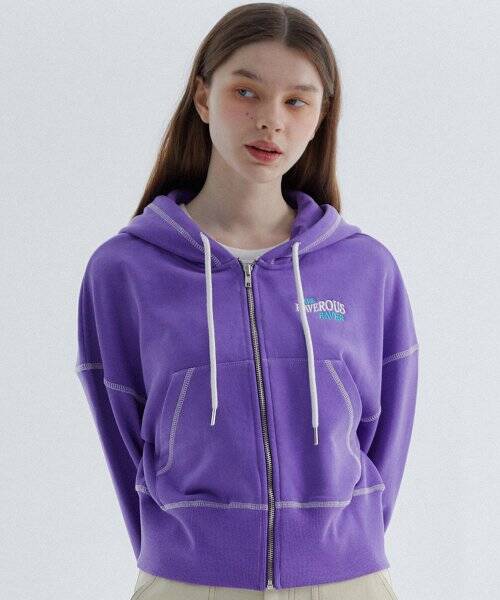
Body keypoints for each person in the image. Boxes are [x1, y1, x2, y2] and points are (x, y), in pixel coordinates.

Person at [75, 3, 418, 599]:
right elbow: (122, 437)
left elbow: (387, 434)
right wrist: (183, 551)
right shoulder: (125, 270)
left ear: (321, 115)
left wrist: (337, 547)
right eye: (246, 92)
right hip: (188, 583)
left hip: (346, 582)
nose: (270, 121)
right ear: (202, 98)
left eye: (296, 101)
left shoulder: (365, 268)